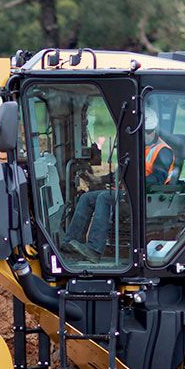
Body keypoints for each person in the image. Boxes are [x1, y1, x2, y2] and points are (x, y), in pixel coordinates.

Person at [64, 107, 175, 261]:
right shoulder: (138, 147)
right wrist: (99, 180)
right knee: (86, 198)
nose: (143, 135)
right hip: (128, 192)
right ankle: (70, 242)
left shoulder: (163, 151)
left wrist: (130, 181)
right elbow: (122, 173)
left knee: (104, 198)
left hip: (144, 197)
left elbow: (158, 179)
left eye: (145, 131)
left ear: (152, 130)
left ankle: (94, 249)